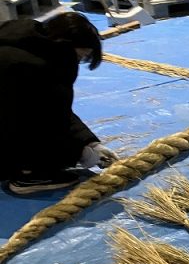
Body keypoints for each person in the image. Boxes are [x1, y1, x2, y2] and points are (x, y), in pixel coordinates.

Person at [0, 12, 117, 195]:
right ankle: (29, 176)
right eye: (79, 57)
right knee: (51, 148)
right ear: (65, 44)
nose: (77, 63)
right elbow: (41, 122)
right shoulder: (36, 68)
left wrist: (89, 141)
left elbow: (54, 106)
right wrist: (78, 152)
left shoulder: (25, 41)